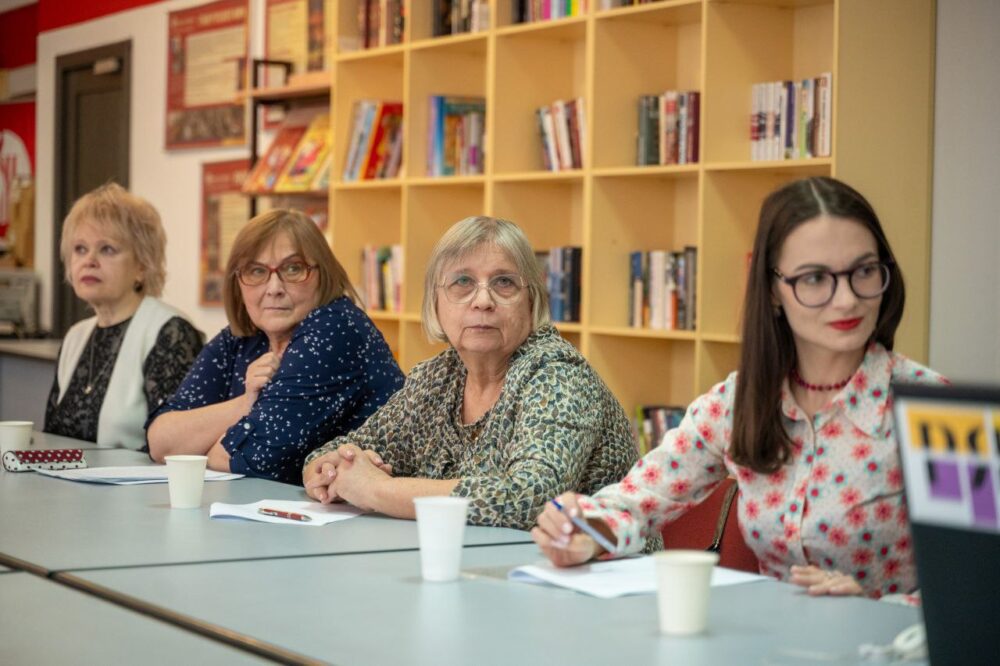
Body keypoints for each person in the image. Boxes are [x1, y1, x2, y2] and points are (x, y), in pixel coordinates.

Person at [532, 177, 947, 601]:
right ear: (773, 290)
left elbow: (976, 581)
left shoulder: (936, 412)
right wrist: (582, 533)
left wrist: (874, 604)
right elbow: (636, 502)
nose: (846, 300)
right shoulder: (739, 401)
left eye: (864, 271)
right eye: (815, 278)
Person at [302, 216, 638, 529]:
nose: (483, 300)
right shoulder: (437, 377)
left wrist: (377, 490)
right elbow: (349, 447)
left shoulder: (558, 375)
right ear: (435, 302)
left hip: (595, 567)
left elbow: (531, 498)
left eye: (504, 282)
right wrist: (326, 469)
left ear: (532, 300)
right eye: (462, 282)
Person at [146, 209, 404, 484]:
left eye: (293, 269)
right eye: (256, 271)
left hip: (373, 507)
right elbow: (160, 442)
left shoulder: (335, 327)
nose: (274, 288)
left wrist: (195, 448)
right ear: (237, 282)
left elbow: (251, 457)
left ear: (323, 274)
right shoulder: (243, 338)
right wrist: (245, 404)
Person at [44, 184, 203, 449]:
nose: (89, 260)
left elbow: (175, 448)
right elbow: (51, 437)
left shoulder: (170, 333)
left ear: (142, 265)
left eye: (107, 249)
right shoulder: (76, 336)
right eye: (80, 249)